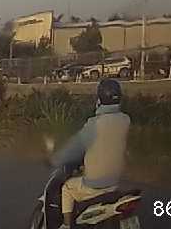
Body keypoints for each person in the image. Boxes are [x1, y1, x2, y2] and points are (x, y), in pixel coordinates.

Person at [49, 78, 131, 228]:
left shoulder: (94, 124)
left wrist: (56, 159)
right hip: (115, 182)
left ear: (99, 100)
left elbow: (74, 148)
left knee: (67, 188)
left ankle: (66, 225)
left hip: (95, 185)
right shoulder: (126, 120)